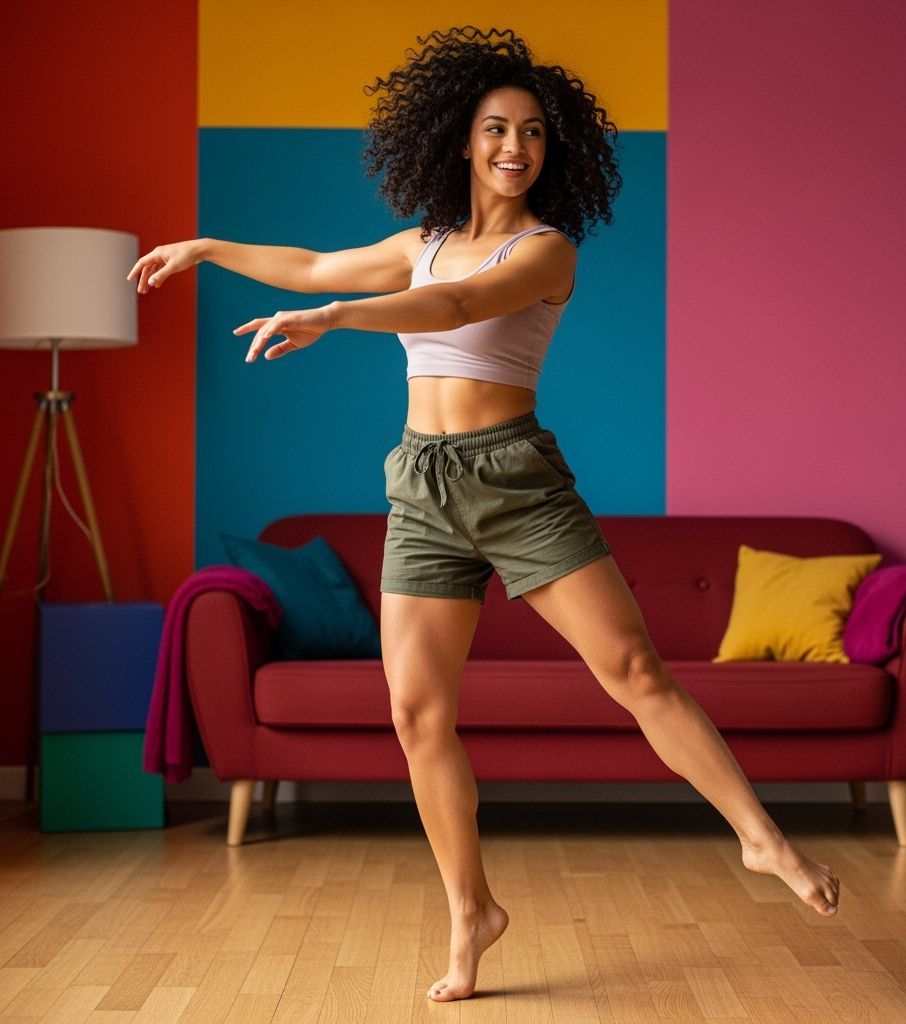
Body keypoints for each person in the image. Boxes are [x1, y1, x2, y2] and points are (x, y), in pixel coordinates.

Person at [128, 26, 839, 1003]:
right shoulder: (418, 242)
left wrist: (336, 322)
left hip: (516, 482)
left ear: (552, 151)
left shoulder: (545, 249)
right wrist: (208, 249)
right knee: (417, 714)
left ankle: (761, 838)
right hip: (420, 486)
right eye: (497, 128)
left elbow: (455, 307)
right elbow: (311, 262)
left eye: (534, 133)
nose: (515, 147)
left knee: (633, 668)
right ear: (461, 139)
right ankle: (472, 913)